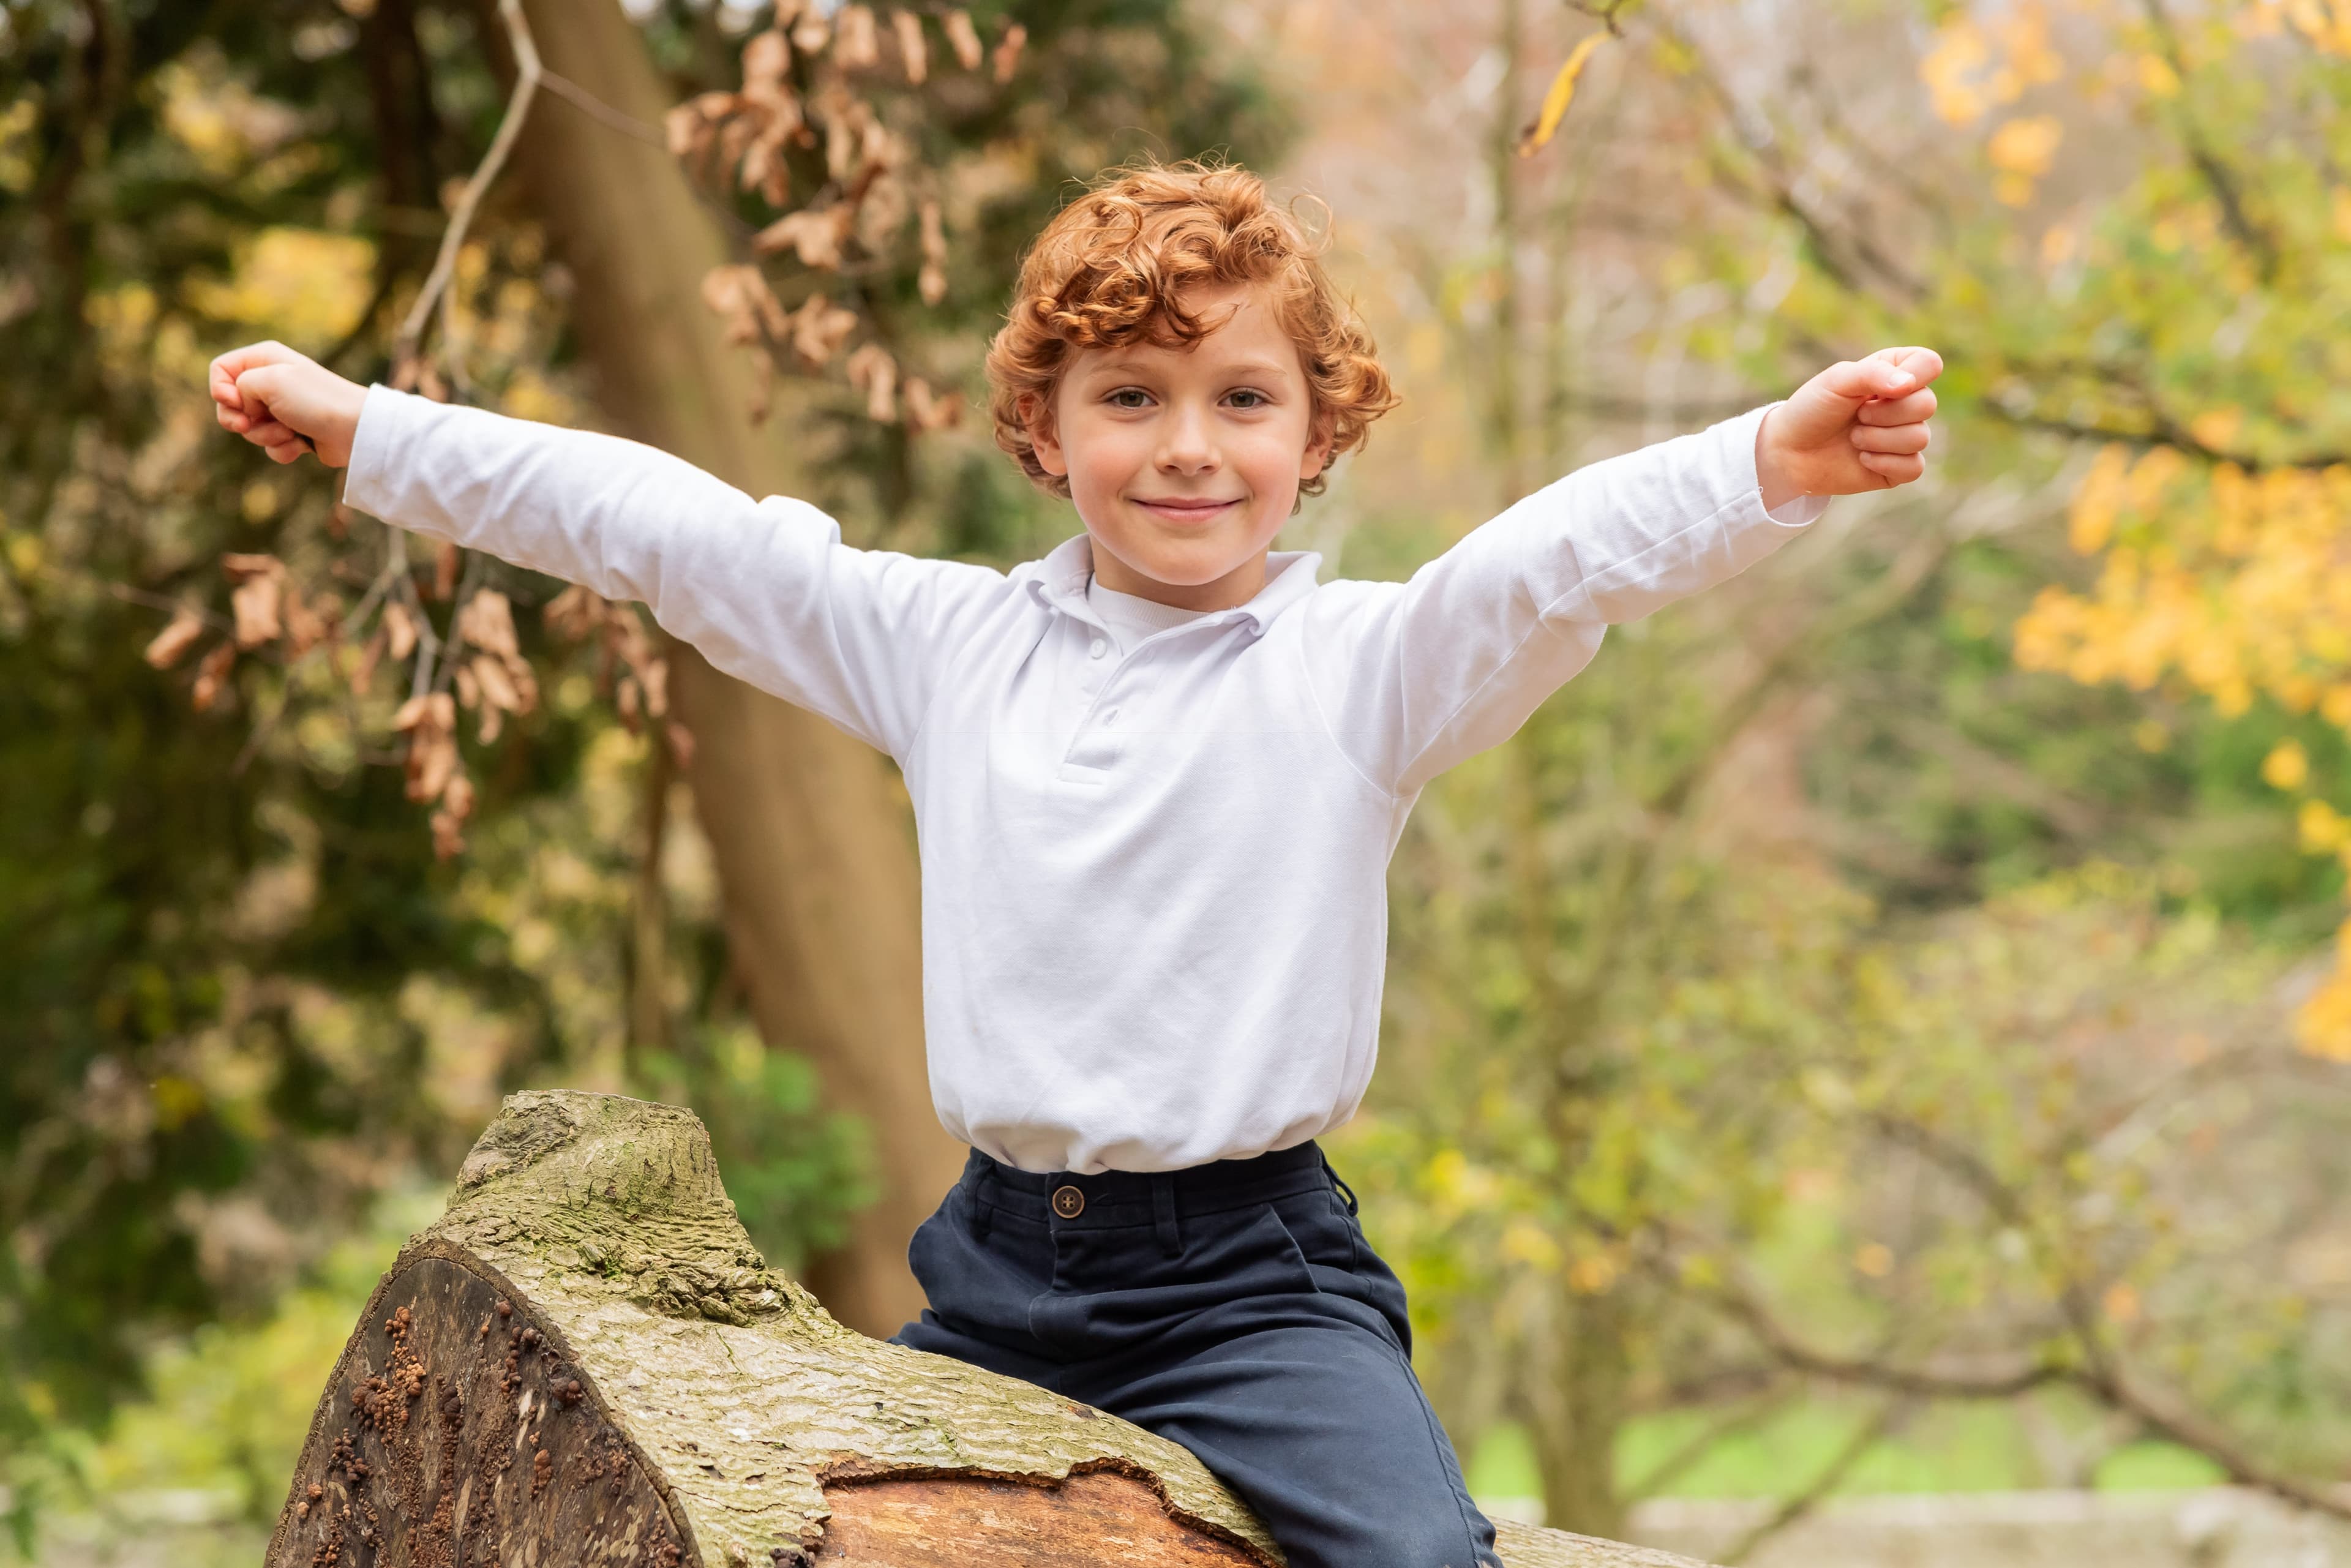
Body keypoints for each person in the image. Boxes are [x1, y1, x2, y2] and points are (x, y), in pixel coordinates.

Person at [209, 160, 1938, 1568]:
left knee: (1421, 1560)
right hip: (994, 1275)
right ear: (1045, 430)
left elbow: (1547, 565)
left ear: (1318, 438)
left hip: (1252, 1288)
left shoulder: (1362, 672)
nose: (1189, 443)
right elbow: (673, 535)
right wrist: (376, 431)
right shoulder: (948, 648)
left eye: (1242, 398)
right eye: (1132, 396)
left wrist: (1766, 463)